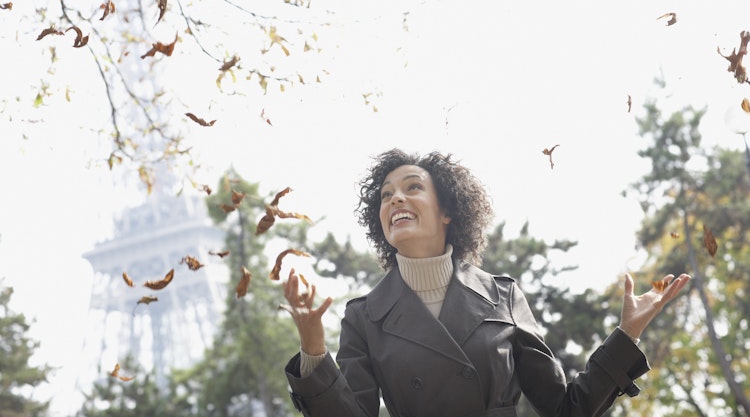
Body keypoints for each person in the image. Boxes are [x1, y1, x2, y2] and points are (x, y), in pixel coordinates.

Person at [280, 148, 691, 417]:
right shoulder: (364, 316)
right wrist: (313, 350)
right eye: (386, 195)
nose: (395, 199)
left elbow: (567, 410)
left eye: (412, 187)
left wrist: (626, 334)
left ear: (448, 211)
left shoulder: (502, 296)